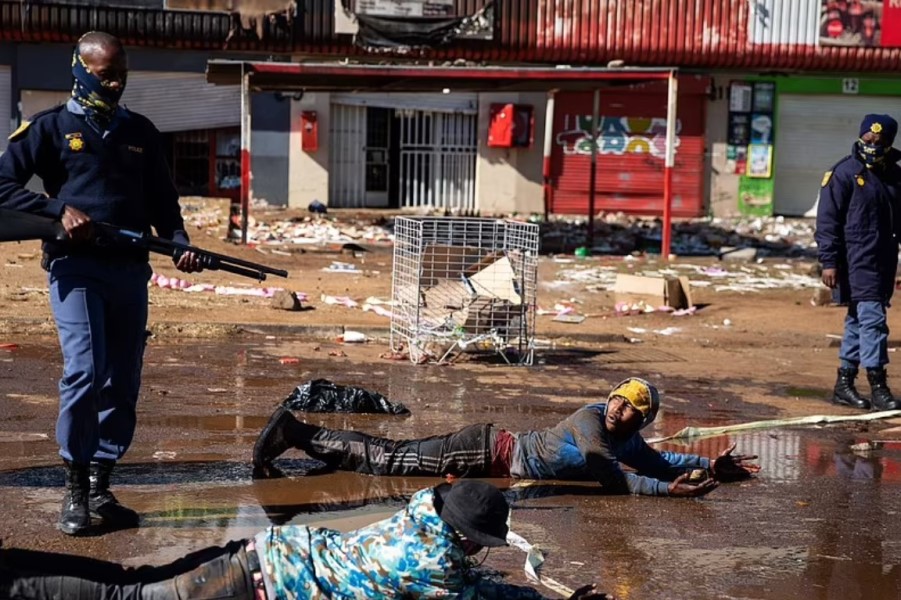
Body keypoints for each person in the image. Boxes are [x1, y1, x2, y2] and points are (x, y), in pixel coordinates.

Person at [0, 31, 201, 536]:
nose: (115, 84)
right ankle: (74, 489)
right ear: (80, 69)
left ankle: (100, 485)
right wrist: (56, 211)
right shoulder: (48, 128)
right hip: (76, 269)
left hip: (130, 271)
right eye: (106, 75)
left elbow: (164, 203)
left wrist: (180, 242)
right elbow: (2, 184)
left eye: (121, 76)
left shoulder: (141, 131)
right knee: (84, 372)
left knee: (123, 381)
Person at [0, 480, 612, 600]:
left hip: (258, 555)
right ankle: (14, 582)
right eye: (481, 542)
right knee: (126, 597)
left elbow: (466, 578)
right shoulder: (431, 562)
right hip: (249, 583)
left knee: (131, 584)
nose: (480, 551)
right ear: (467, 537)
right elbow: (473, 593)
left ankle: (12, 567)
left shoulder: (420, 513)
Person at [253, 377, 760, 497]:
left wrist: (708, 466)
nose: (617, 407)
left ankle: (306, 440)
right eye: (617, 398)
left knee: (392, 461)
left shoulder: (626, 439)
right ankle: (296, 430)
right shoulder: (591, 423)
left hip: (492, 458)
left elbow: (656, 461)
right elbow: (614, 478)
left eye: (630, 408)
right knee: (390, 460)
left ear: (640, 421)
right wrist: (666, 491)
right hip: (485, 449)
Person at [816, 113, 901, 412]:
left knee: (856, 321)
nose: (873, 145)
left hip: (883, 262)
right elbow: (827, 222)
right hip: (854, 261)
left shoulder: (895, 176)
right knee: (873, 321)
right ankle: (878, 387)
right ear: (860, 136)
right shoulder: (843, 173)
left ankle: (844, 383)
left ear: (890, 143)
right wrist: (828, 261)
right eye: (868, 139)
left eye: (880, 141)